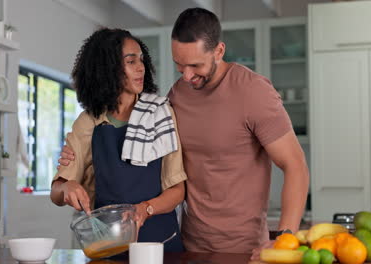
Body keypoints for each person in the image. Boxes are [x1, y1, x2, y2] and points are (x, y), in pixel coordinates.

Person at [59, 8, 309, 260]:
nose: (187, 76)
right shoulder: (176, 96)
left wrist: (284, 238)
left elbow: (295, 165)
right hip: (189, 243)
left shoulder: (253, 92)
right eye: (179, 65)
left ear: (219, 51)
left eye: (195, 65)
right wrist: (72, 166)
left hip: (242, 247)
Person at [50, 28, 186, 252]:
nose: (141, 67)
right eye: (131, 61)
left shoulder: (160, 113)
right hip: (109, 244)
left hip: (159, 244)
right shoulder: (89, 122)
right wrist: (68, 187)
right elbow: (56, 192)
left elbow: (177, 191)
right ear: (107, 68)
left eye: (141, 59)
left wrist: (144, 209)